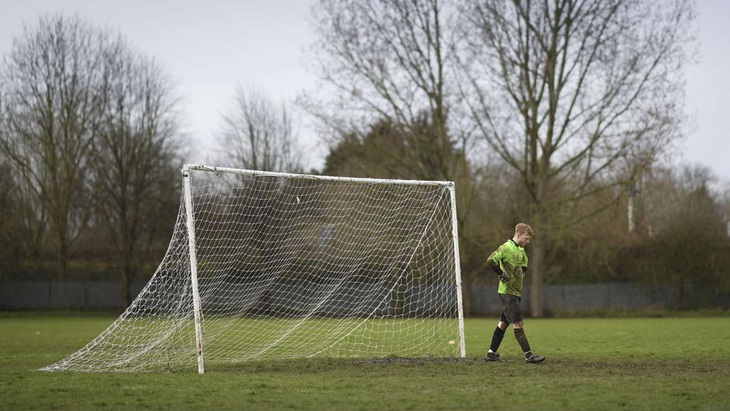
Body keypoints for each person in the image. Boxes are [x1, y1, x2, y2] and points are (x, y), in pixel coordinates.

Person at [484, 223, 546, 363]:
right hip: (507, 293)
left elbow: (524, 266)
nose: (528, 242)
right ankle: (529, 355)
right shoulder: (506, 248)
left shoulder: (521, 251)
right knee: (518, 323)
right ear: (518, 235)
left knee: (503, 324)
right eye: (526, 238)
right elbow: (491, 260)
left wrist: (521, 274)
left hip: (516, 293)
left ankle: (491, 355)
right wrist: (501, 273)